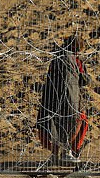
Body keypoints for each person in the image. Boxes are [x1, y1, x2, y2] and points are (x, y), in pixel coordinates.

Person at [36, 35, 90, 164]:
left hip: (52, 99)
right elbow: (80, 80)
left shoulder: (59, 57)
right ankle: (66, 151)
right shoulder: (72, 59)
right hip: (69, 99)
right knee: (75, 121)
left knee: (55, 124)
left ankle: (55, 155)